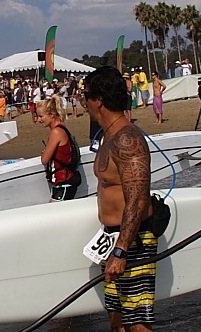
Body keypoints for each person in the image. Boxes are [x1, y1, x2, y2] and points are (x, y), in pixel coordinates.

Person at [83, 66, 157, 331]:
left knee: (137, 322)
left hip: (132, 240)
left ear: (99, 99)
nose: (84, 102)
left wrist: (121, 250)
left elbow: (137, 199)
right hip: (112, 237)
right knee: (117, 321)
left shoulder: (127, 139)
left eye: (86, 95)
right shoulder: (108, 136)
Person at [36, 95, 81, 202]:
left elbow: (44, 160)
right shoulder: (62, 128)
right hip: (65, 182)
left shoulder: (56, 132)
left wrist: (45, 152)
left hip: (63, 183)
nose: (38, 120)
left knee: (51, 216)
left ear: (51, 115)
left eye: (41, 116)